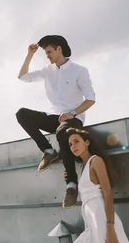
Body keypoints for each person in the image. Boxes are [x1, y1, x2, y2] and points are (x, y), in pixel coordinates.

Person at [16, 35, 96, 208]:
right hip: (55, 117)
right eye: (45, 53)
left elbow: (90, 99)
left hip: (74, 119)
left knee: (62, 131)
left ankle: (71, 186)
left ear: (59, 49)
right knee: (22, 114)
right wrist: (30, 54)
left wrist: (73, 113)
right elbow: (22, 76)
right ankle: (48, 150)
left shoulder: (79, 70)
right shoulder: (47, 70)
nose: (48, 56)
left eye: (49, 51)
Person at [60, 128, 129, 243]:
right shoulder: (83, 167)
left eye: (76, 141)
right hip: (92, 224)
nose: (73, 146)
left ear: (87, 143)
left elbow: (107, 194)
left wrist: (110, 228)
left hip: (103, 221)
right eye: (70, 144)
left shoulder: (96, 161)